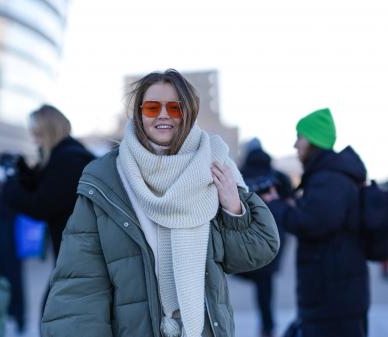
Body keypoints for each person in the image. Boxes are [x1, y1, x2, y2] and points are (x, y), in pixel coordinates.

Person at [41, 69, 280, 337]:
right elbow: (80, 286)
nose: (163, 115)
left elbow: (256, 252)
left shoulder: (214, 167)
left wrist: (233, 209)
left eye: (174, 108)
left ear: (188, 113)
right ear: (139, 114)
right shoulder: (106, 180)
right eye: (152, 107)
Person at [263, 108, 369, 337]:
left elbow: (312, 223)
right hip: (333, 297)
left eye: (299, 137)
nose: (295, 144)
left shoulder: (329, 178)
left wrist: (276, 206)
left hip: (333, 302)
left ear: (313, 140)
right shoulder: (328, 176)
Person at [2, 104, 95, 259]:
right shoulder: (69, 155)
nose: (34, 141)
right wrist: (21, 169)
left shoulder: (69, 160)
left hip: (79, 254)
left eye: (37, 134)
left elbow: (42, 205)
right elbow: (45, 186)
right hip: (77, 250)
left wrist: (10, 186)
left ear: (49, 132)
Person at [238, 138, 293, 337]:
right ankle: (268, 327)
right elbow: (290, 203)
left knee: (225, 271)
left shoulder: (239, 174)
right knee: (265, 284)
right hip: (274, 238)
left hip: (245, 237)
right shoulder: (279, 177)